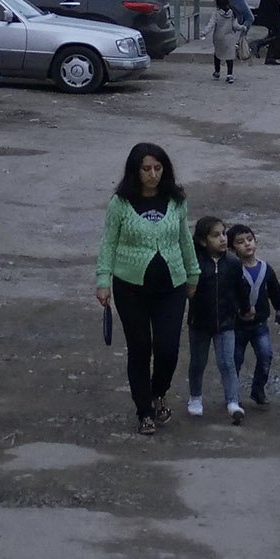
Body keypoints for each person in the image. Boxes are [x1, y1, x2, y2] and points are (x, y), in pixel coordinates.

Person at [97, 142, 198, 435]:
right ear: (135, 171)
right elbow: (108, 243)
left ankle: (159, 392)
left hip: (172, 287)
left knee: (168, 348)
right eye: (146, 169)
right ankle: (144, 411)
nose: (152, 174)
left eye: (157, 168)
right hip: (130, 288)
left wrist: (193, 274)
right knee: (139, 348)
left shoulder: (176, 201)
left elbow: (185, 239)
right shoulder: (120, 204)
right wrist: (103, 280)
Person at [222, 221, 280, 412]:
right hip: (236, 326)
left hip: (259, 325)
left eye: (249, 239)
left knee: (265, 356)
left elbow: (275, 290)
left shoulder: (266, 269)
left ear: (256, 242)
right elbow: (227, 296)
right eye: (240, 242)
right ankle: (232, 396)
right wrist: (236, 311)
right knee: (234, 361)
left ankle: (258, 390)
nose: (247, 244)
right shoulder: (232, 271)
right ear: (232, 249)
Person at [186, 212, 234, 419]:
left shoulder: (232, 263)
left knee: (227, 363)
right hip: (199, 323)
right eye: (216, 235)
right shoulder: (195, 264)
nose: (223, 238)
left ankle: (233, 401)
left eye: (224, 233)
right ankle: (195, 397)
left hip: (226, 322)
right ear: (202, 241)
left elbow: (240, 289)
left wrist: (243, 309)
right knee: (198, 363)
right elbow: (187, 291)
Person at [210, 0, 247, 83]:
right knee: (229, 56)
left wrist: (204, 32)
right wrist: (243, 27)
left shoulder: (216, 13)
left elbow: (211, 24)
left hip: (218, 38)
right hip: (230, 38)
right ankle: (229, 75)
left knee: (218, 54)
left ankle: (217, 72)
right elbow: (235, 26)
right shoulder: (232, 14)